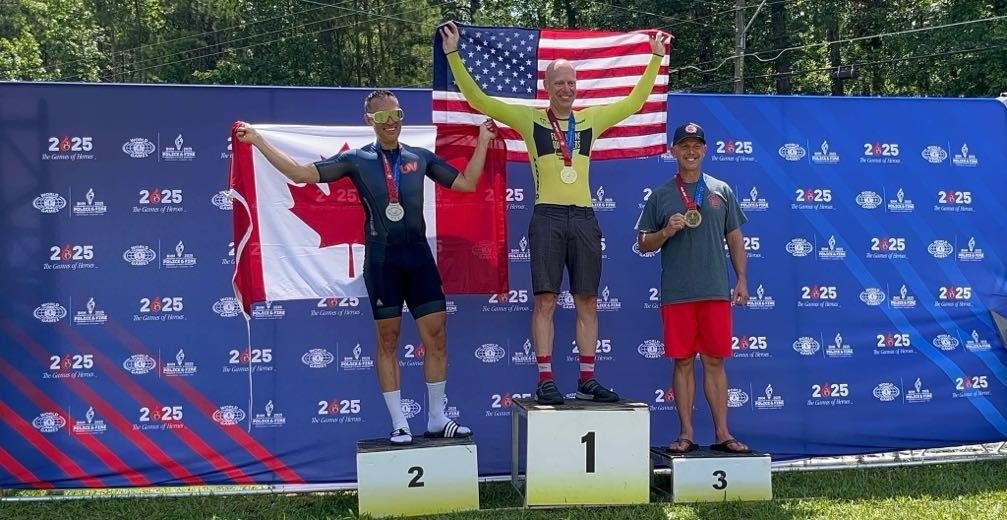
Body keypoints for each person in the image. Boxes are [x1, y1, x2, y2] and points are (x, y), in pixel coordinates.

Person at [235, 91, 498, 445]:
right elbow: (300, 174)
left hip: (419, 258)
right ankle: (400, 423)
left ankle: (437, 417)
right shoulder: (357, 160)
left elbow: (466, 184)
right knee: (387, 340)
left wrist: (482, 141)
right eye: (381, 117)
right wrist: (259, 141)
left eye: (396, 114)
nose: (390, 122)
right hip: (382, 261)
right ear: (369, 122)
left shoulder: (419, 157)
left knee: (436, 336)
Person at [439, 21, 669, 405]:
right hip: (546, 216)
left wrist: (655, 58)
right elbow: (479, 99)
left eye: (571, 82)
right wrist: (453, 54)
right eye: (559, 82)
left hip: (583, 217)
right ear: (547, 87)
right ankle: (545, 377)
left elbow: (635, 103)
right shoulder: (531, 121)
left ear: (577, 86)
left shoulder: (592, 119)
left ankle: (587, 378)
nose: (566, 88)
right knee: (545, 300)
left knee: (587, 301)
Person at [635, 122, 752, 454]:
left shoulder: (721, 190)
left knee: (715, 361)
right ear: (673, 151)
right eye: (683, 145)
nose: (690, 151)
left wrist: (741, 278)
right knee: (683, 361)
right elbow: (643, 244)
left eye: (696, 145)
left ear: (704, 150)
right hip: (677, 293)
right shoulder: (660, 195)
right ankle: (686, 434)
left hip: (715, 290)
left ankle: (722, 433)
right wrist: (665, 233)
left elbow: (734, 237)